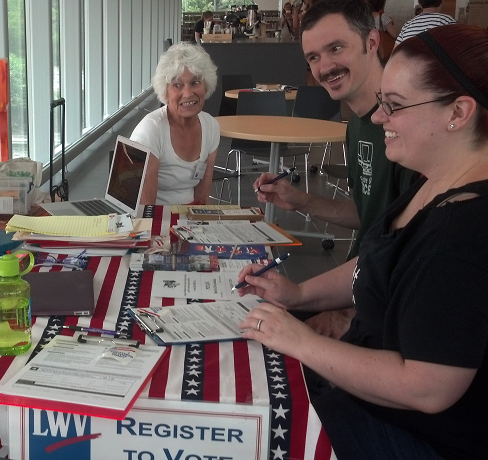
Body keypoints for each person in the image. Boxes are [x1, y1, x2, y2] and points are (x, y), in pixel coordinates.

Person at [237, 24, 488, 459]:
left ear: (459, 112)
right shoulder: (432, 183)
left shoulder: (464, 232)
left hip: (413, 436)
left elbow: (428, 388)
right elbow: (376, 262)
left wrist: (301, 342)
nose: (377, 118)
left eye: (393, 106)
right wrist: (297, 294)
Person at [254, 0, 416, 339]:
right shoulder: (356, 125)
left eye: (336, 48)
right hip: (358, 285)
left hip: (388, 309)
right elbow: (369, 212)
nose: (325, 66)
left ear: (372, 43)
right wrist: (300, 201)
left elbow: (415, 249)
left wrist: (348, 313)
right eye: (313, 57)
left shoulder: (411, 126)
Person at [130, 42, 219, 206]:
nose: (187, 94)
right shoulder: (151, 130)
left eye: (195, 83)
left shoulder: (211, 126)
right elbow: (144, 208)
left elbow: (202, 198)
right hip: (152, 218)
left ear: (206, 86)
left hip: (189, 219)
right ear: (165, 91)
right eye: (177, 85)